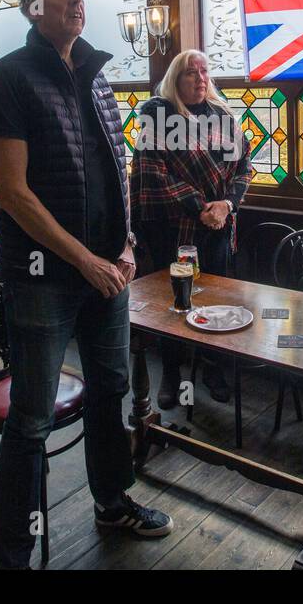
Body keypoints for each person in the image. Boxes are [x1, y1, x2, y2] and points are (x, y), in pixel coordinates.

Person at [0, 0, 173, 569]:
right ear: (32, 9)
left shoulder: (95, 74)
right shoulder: (10, 76)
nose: (75, 0)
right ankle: (13, 554)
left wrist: (121, 248)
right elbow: (12, 192)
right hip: (44, 277)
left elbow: (114, 167)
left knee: (112, 387)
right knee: (32, 419)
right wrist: (86, 261)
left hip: (107, 271)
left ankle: (112, 502)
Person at [131, 49, 252, 408]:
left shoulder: (224, 117)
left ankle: (212, 369)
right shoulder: (157, 117)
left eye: (204, 71)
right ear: (175, 80)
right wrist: (202, 208)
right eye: (189, 73)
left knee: (214, 300)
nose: (199, 78)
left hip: (217, 226)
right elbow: (153, 172)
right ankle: (171, 373)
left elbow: (244, 168)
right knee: (174, 302)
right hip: (171, 227)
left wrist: (225, 205)